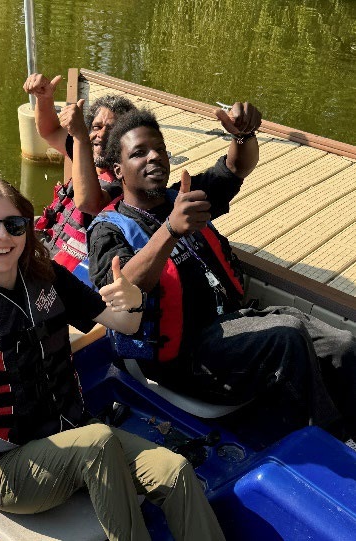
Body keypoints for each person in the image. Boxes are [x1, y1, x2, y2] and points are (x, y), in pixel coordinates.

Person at [0, 178, 225, 541]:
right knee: (98, 443)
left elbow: (124, 323)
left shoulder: (46, 278)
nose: (3, 236)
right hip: (3, 466)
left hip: (69, 435)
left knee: (175, 470)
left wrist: (133, 297)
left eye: (14, 225)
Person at [87, 105, 356, 438]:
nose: (153, 157)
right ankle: (332, 442)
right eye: (139, 153)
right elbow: (118, 292)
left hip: (235, 323)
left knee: (342, 344)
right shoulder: (107, 231)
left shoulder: (185, 196)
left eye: (159, 149)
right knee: (287, 337)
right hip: (183, 359)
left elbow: (236, 167)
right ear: (119, 169)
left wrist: (243, 135)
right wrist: (170, 230)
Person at [23, 73, 135, 270]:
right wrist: (44, 98)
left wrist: (81, 137)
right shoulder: (85, 154)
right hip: (44, 249)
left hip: (68, 275)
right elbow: (49, 131)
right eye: (96, 127)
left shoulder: (126, 181)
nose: (101, 135)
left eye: (111, 130)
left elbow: (89, 203)